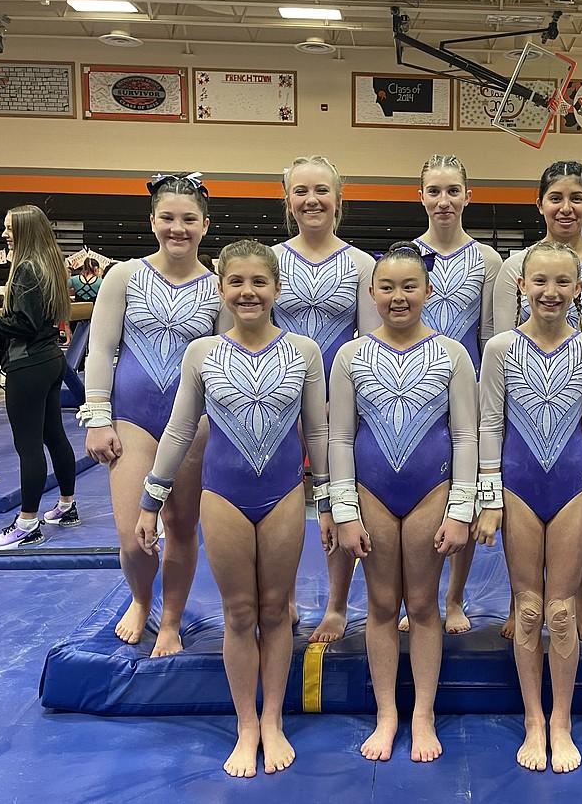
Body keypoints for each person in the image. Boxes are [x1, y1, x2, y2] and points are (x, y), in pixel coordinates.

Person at [136, 240, 328, 778]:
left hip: (285, 495)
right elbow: (179, 430)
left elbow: (317, 431)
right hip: (222, 495)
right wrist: (152, 499)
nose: (248, 292)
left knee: (274, 610)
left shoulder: (304, 351)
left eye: (259, 282)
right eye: (236, 282)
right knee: (239, 612)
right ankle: (247, 724)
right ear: (221, 289)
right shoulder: (201, 353)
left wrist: (333, 502)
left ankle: (273, 719)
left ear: (276, 289)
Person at [330, 242, 478, 763]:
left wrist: (462, 509)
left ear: (428, 292)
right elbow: (340, 438)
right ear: (370, 293)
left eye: (409, 287)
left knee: (422, 604)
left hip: (430, 493)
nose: (398, 297)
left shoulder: (452, 354)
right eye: (387, 288)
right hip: (371, 492)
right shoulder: (350, 355)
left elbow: (465, 436)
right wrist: (344, 510)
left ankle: (423, 712)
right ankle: (388, 712)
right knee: (380, 604)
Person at [475, 241, 582, 774]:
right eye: (540, 282)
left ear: (578, 289)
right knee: (528, 610)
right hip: (517, 490)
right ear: (521, 285)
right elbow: (491, 426)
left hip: (572, 490)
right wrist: (488, 502)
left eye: (562, 283)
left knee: (561, 613)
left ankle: (561, 720)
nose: (550, 292)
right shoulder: (500, 349)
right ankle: (533, 719)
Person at [81, 172, 227, 656]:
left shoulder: (220, 288)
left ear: (205, 225)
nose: (177, 228)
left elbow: (228, 357)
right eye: (168, 218)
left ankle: (169, 618)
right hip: (133, 419)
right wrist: (98, 416)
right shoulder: (124, 275)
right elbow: (99, 349)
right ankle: (140, 599)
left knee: (183, 528)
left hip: (194, 424)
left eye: (189, 219)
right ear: (152, 221)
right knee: (132, 535)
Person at [492, 160, 582, 645]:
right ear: (540, 204)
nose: (565, 207)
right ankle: (517, 603)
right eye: (556, 197)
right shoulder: (516, 265)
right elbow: (500, 333)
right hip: (525, 391)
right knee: (521, 511)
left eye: (576, 198)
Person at [272, 155, 381, 645]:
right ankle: (284, 595)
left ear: (339, 199)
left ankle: (336, 606)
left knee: (338, 499)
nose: (311, 200)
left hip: (339, 406)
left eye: (321, 190)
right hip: (273, 400)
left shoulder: (361, 265)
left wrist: (344, 406)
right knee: (281, 503)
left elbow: (366, 343)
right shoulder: (272, 260)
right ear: (287, 199)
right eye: (300, 191)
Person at [408, 154, 501, 636]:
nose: (443, 201)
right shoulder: (403, 254)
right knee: (420, 491)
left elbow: (489, 335)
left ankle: (455, 595)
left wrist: (489, 400)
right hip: (412, 393)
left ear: (468, 196)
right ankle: (417, 593)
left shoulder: (487, 260)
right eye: (434, 191)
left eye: (452, 191)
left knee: (461, 491)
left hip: (465, 391)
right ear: (420, 197)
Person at [0, 207, 78, 549]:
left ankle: (27, 524)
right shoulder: (51, 264)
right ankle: (67, 506)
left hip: (29, 364)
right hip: (52, 360)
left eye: (8, 228)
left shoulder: (27, 268)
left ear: (24, 230)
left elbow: (23, 325)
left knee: (28, 445)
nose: (3, 234)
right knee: (54, 436)